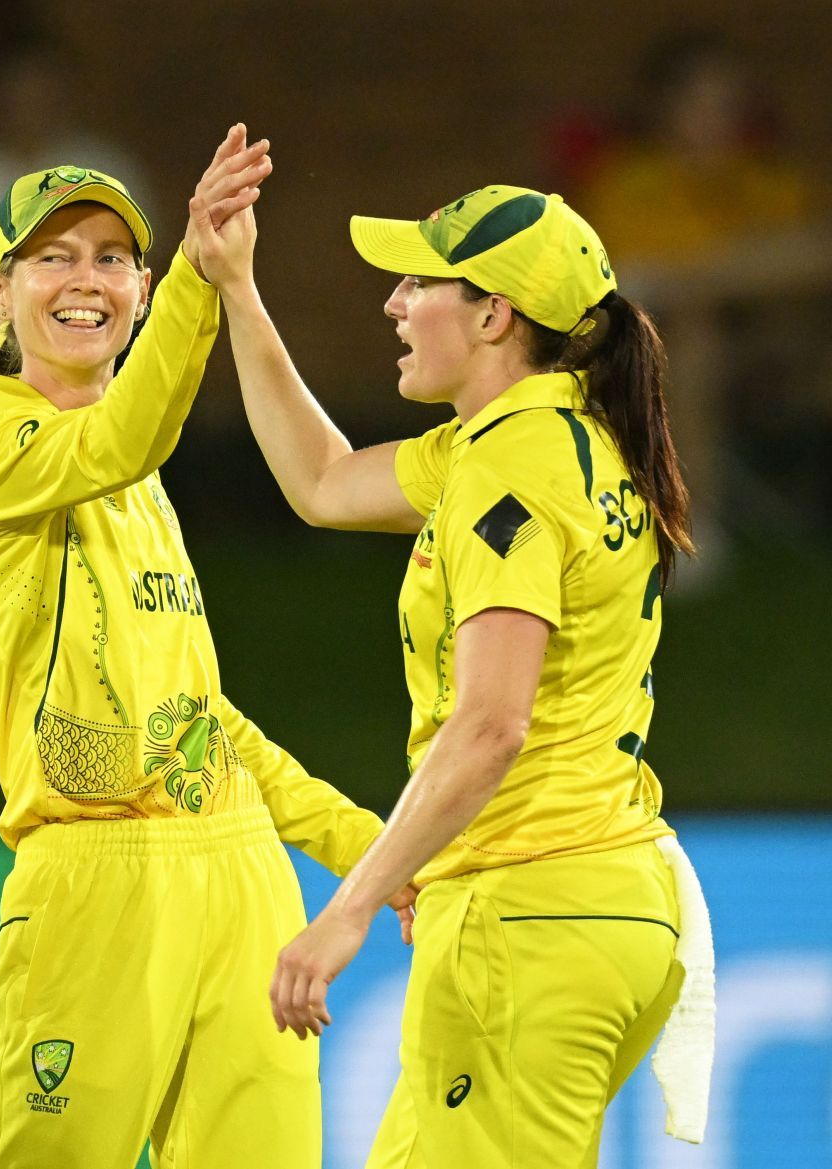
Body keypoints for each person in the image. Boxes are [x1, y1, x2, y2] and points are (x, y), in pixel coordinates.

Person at [192, 180, 716, 1163]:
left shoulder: (511, 468)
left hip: (531, 914)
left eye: (418, 281)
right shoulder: (550, 439)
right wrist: (237, 288)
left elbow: (490, 725)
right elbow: (324, 481)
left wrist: (345, 910)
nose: (392, 300)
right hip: (602, 903)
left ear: (492, 313)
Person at [0, 129, 393, 1168]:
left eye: (111, 259)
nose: (86, 280)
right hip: (95, 878)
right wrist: (200, 269)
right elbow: (126, 431)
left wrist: (364, 846)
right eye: (55, 256)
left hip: (239, 876)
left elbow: (201, 721)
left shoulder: (136, 480)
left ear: (135, 292)